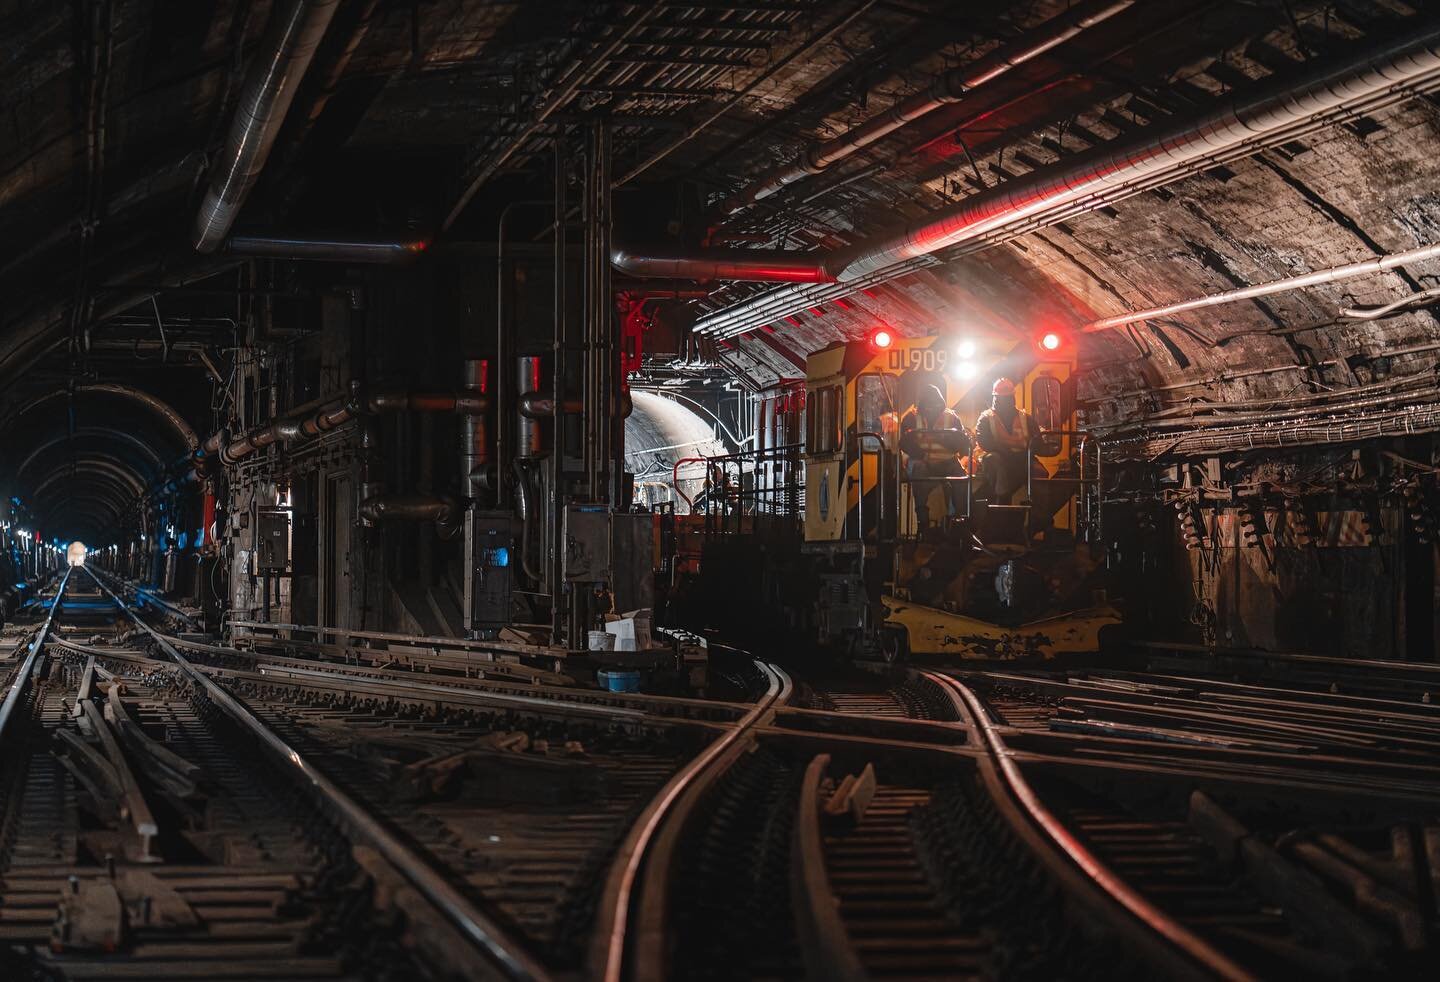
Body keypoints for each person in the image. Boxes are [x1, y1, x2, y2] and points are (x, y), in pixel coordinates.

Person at [899, 384, 971, 532]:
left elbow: (963, 444)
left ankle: (956, 523)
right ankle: (922, 522)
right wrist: (922, 455)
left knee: (962, 480)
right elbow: (904, 443)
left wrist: (945, 441)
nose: (932, 406)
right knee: (918, 472)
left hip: (948, 462)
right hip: (921, 462)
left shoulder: (951, 417)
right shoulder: (911, 418)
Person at [973, 377, 1039, 504]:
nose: (1004, 401)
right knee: (995, 460)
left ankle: (1038, 515)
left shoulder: (1025, 418)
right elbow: (984, 442)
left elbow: (1037, 442)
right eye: (1002, 398)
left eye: (1006, 398)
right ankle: (1002, 501)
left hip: (1022, 460)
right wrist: (1007, 453)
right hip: (998, 461)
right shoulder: (986, 418)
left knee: (1040, 473)